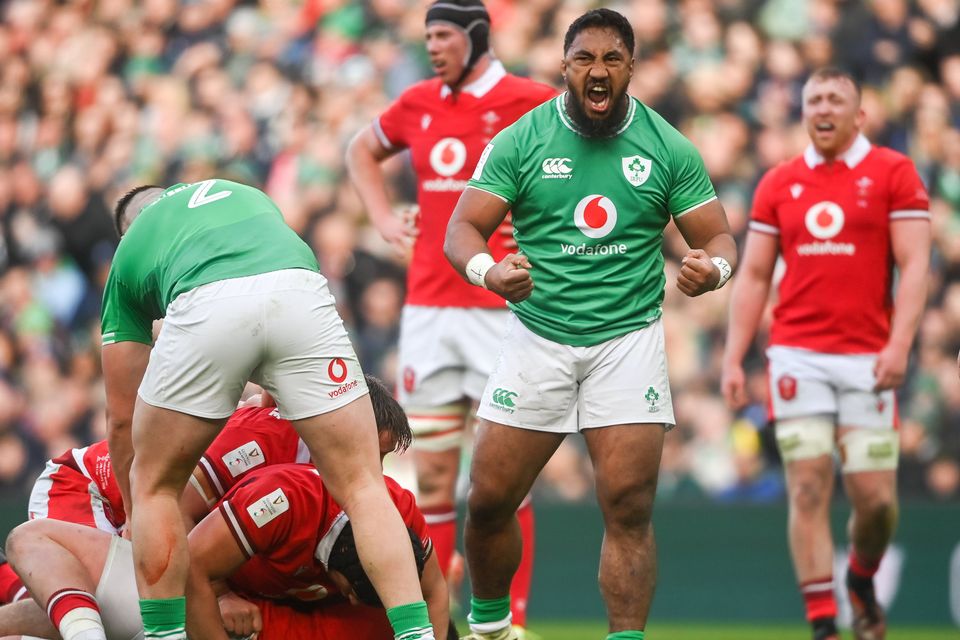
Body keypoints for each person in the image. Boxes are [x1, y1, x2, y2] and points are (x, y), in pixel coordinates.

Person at [443, 9, 736, 640]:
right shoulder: (522, 140)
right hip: (537, 337)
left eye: (611, 59)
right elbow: (461, 228)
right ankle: (491, 628)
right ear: (565, 66)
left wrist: (713, 271)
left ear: (631, 67)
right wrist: (488, 273)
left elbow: (717, 238)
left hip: (627, 342)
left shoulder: (667, 146)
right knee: (489, 500)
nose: (597, 71)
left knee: (628, 506)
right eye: (585, 59)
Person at [101, 179, 433, 640]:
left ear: (128, 232)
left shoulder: (131, 250)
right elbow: (267, 296)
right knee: (363, 487)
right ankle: (417, 634)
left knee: (153, 485)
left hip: (207, 307)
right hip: (300, 290)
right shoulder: (239, 193)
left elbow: (120, 418)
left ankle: (163, 635)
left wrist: (135, 512)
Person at [346, 0, 555, 632]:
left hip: (503, 308)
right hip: (430, 312)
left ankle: (510, 621)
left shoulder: (533, 99)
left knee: (503, 477)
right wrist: (384, 219)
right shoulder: (417, 103)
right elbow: (362, 149)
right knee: (431, 472)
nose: (433, 46)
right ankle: (438, 621)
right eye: (427, 36)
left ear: (474, 36)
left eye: (443, 35)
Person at [721, 68, 930, 640]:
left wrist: (900, 345)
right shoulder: (778, 183)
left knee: (876, 501)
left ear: (860, 114)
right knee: (808, 486)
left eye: (836, 98)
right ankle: (823, 623)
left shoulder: (894, 172)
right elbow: (755, 274)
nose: (823, 107)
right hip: (797, 358)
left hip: (868, 359)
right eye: (813, 98)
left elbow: (915, 265)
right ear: (803, 110)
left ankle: (860, 579)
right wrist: (735, 357)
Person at [4, 463, 448, 640]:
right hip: (180, 593)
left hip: (211, 617)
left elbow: (435, 590)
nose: (351, 597)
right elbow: (184, 555)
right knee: (29, 541)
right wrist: (219, 597)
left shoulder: (400, 514)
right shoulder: (286, 498)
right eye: (351, 590)